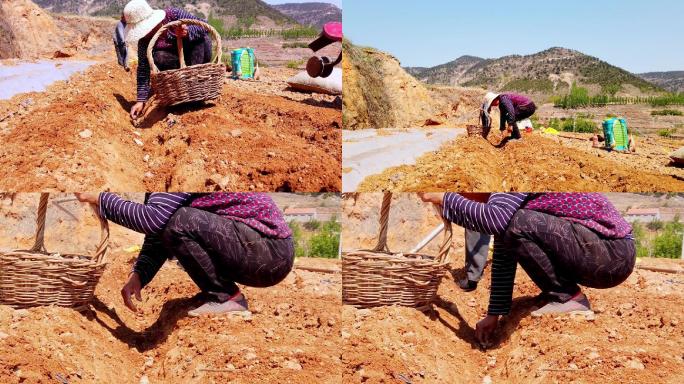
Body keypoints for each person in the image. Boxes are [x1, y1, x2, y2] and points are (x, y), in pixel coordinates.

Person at [419, 192, 635, 346]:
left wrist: (446, 198)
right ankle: (562, 293)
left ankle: (568, 297)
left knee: (516, 222)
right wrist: (494, 315)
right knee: (511, 227)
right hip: (604, 254)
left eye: (462, 192)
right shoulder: (505, 204)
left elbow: (495, 221)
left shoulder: (507, 185)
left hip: (612, 253)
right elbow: (505, 249)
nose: (465, 197)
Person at [74, 192, 295, 316]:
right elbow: (158, 229)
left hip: (269, 251)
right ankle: (220, 294)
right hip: (265, 251)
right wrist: (139, 275)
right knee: (175, 221)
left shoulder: (168, 183)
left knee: (180, 220)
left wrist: (102, 200)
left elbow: (154, 220)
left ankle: (226, 297)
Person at [123, 0, 213, 119]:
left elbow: (205, 26)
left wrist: (188, 32)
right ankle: (180, 90)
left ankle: (197, 87)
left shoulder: (174, 15)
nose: (145, 33)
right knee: (158, 57)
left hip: (196, 60)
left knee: (202, 40)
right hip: (175, 69)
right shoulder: (144, 41)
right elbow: (143, 69)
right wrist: (141, 100)